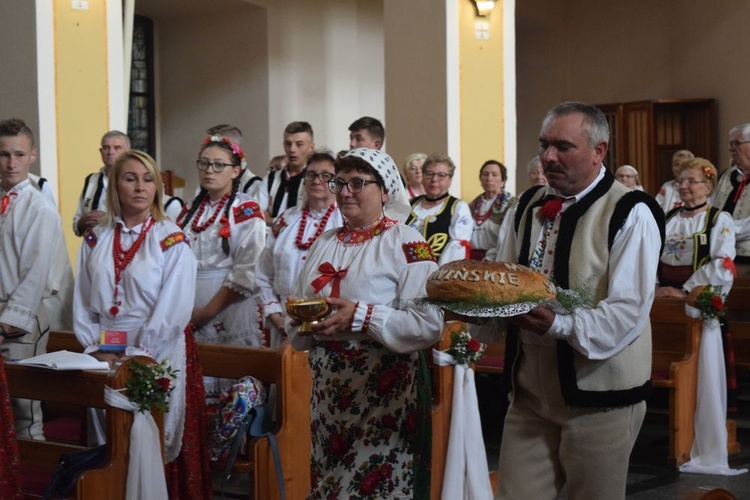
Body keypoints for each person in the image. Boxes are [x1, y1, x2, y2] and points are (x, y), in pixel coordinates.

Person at [492, 102, 663, 498]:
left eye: (563, 147)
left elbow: (627, 311)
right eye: (544, 145)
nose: (549, 157)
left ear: (599, 151)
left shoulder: (631, 211)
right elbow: (501, 281)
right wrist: (475, 309)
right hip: (530, 393)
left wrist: (559, 323)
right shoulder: (526, 206)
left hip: (600, 397)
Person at [287, 148, 442, 499]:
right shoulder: (324, 243)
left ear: (386, 190)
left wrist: (362, 315)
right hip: (329, 395)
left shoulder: (408, 243)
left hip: (383, 395)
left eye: (358, 183)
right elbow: (298, 308)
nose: (344, 192)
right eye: (339, 182)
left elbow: (428, 324)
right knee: (329, 483)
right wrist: (302, 320)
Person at [73, 149, 211, 498]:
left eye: (148, 179)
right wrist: (96, 347)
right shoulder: (96, 238)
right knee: (110, 440)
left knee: (152, 436)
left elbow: (174, 307)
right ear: (115, 185)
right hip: (104, 350)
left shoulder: (170, 239)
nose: (140, 187)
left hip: (156, 348)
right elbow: (83, 298)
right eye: (130, 178)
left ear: (157, 188)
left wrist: (139, 353)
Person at [179, 136, 266, 400]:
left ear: (236, 170)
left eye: (218, 165)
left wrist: (207, 311)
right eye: (204, 164)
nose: (209, 170)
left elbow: (248, 269)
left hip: (229, 307)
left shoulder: (246, 210)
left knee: (229, 387)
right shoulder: (188, 212)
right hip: (189, 307)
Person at [0, 118, 67, 440]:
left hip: (17, 317)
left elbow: (37, 273)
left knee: (23, 408)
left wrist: (7, 324)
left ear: (33, 155)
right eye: (3, 154)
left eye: (18, 154)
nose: (11, 163)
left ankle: (28, 479)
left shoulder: (39, 209)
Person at [655, 158, 738, 413]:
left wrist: (686, 291)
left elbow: (723, 263)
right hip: (662, 298)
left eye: (692, 181)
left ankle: (701, 415)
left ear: (708, 186)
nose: (684, 186)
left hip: (694, 298)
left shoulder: (718, 219)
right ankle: (672, 416)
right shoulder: (667, 217)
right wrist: (657, 288)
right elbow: (649, 254)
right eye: (680, 181)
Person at [256, 152, 344, 348]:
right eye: (311, 174)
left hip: (330, 325)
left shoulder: (345, 223)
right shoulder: (286, 220)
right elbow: (263, 273)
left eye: (326, 176)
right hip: (283, 321)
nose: (316, 180)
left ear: (337, 183)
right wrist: (276, 316)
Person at [74, 131, 183, 236]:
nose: (110, 152)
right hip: (95, 246)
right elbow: (77, 222)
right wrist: (82, 223)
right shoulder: (92, 180)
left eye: (117, 148)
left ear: (129, 151)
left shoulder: (150, 187)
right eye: (106, 148)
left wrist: (108, 221)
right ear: (101, 151)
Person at [406, 153, 473, 265]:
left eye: (441, 175)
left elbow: (456, 249)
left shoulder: (458, 207)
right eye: (429, 174)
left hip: (435, 273)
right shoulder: (410, 204)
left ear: (450, 180)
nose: (434, 179)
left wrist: (439, 278)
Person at [257, 121, 315, 225]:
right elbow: (256, 213)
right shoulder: (271, 178)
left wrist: (271, 221)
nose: (292, 149)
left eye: (299, 144)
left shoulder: (315, 181)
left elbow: (309, 219)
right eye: (288, 144)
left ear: (311, 147)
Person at [711, 123, 750, 264]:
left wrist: (725, 230)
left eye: (737, 143)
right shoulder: (726, 176)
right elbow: (712, 206)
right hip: (720, 253)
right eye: (730, 143)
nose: (731, 148)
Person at [468, 160, 516, 260]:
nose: (489, 179)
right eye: (485, 174)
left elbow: (506, 237)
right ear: (480, 179)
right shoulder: (473, 204)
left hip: (497, 258)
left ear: (503, 181)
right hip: (471, 259)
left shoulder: (510, 204)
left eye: (494, 175)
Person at [205, 124, 262, 198]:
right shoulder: (209, 179)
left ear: (236, 149)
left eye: (220, 147)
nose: (213, 151)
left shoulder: (252, 185)